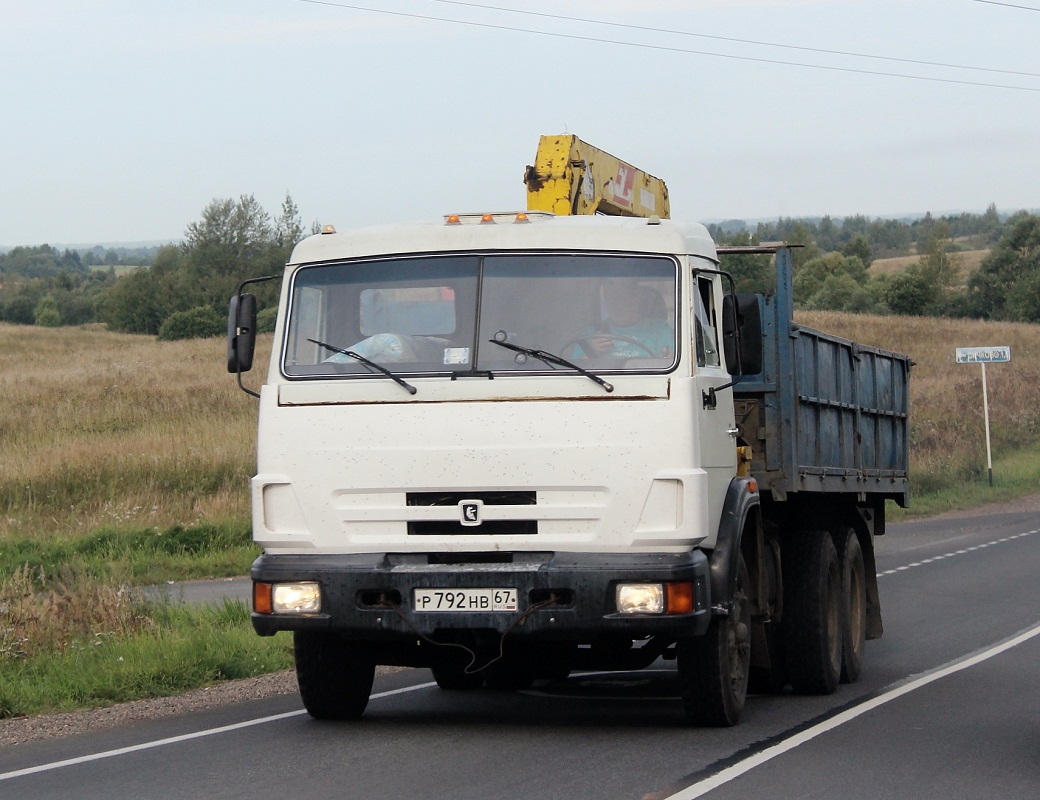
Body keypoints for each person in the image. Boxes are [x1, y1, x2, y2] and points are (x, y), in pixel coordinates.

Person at [576, 278, 674, 359]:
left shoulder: (660, 329)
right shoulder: (590, 333)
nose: (615, 305)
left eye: (620, 298)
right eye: (609, 299)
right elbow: (574, 372)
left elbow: (671, 364)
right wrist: (592, 351)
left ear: (635, 298)